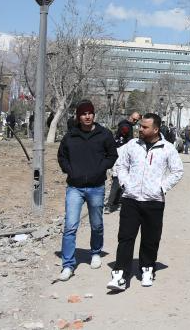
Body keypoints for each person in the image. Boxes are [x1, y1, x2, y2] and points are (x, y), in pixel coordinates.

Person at [107, 113, 183, 291]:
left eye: (145, 127)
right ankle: (120, 275)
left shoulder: (167, 148)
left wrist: (161, 188)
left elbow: (177, 171)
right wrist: (125, 184)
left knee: (151, 238)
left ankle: (147, 269)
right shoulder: (132, 145)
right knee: (125, 237)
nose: (140, 129)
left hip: (154, 201)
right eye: (140, 126)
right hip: (131, 199)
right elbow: (121, 164)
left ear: (155, 129)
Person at [56, 100, 117, 282]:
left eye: (90, 113)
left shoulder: (104, 134)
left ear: (93, 114)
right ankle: (68, 265)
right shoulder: (70, 136)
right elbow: (61, 156)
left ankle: (96, 252)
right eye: (83, 114)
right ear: (78, 116)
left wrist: (101, 168)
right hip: (74, 187)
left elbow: (112, 155)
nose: (87, 116)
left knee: (96, 224)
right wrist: (70, 170)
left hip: (96, 186)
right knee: (70, 226)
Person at [105, 111, 142, 214]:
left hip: (125, 153)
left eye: (136, 120)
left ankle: (118, 201)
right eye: (134, 119)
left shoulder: (129, 126)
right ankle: (109, 205)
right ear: (130, 117)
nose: (135, 121)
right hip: (121, 153)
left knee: (125, 178)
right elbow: (123, 138)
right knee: (117, 179)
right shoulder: (125, 126)